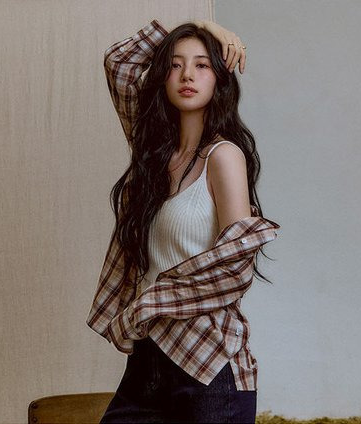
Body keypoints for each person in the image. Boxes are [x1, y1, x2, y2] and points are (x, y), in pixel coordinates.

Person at [87, 18, 280, 423]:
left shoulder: (224, 157)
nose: (187, 74)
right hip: (149, 360)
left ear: (220, 79)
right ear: (162, 77)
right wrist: (198, 25)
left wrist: (150, 301)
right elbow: (119, 63)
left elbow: (235, 268)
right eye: (175, 65)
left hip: (208, 363)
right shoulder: (153, 152)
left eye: (202, 64)